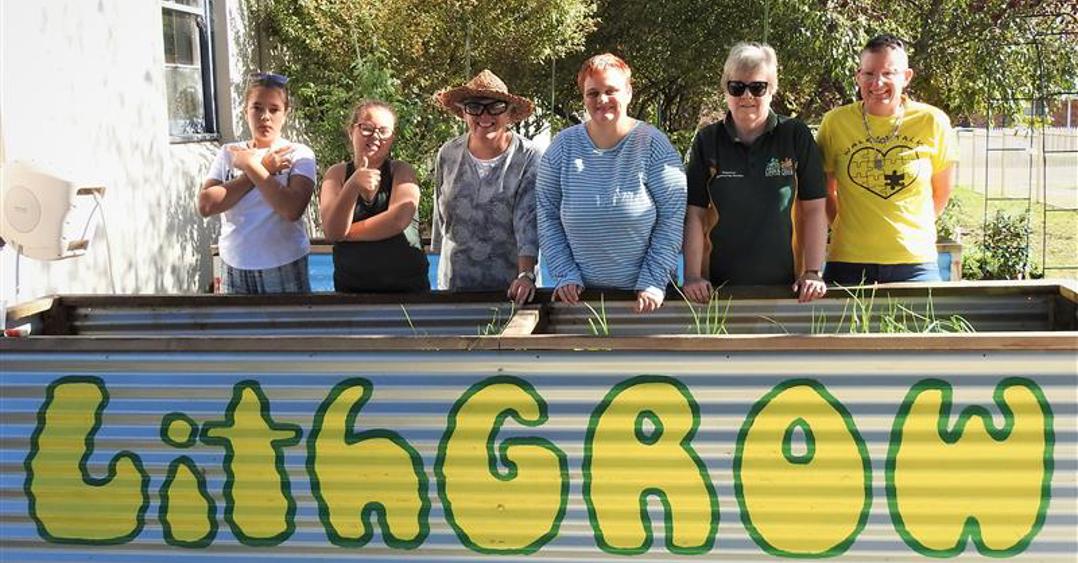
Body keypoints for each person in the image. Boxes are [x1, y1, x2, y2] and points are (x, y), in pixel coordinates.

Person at [536, 53, 687, 314]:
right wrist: (565, 274)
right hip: (581, 300)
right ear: (583, 97)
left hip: (646, 301)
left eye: (611, 90)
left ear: (628, 92)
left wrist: (653, 280)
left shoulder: (654, 145)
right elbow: (546, 216)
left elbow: (672, 217)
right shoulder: (562, 147)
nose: (602, 100)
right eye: (593, 93)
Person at [683, 43, 828, 304]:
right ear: (725, 90)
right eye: (737, 87)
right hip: (717, 290)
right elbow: (695, 213)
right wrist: (692, 276)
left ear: (772, 90)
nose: (746, 96)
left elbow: (815, 209)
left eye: (757, 87)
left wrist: (813, 272)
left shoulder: (795, 135)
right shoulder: (707, 140)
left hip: (790, 288)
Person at [817, 34, 958, 284]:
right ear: (858, 76)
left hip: (915, 264)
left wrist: (906, 232)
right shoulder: (835, 123)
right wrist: (847, 228)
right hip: (848, 262)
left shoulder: (932, 121)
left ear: (906, 77)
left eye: (888, 73)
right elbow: (825, 191)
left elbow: (941, 193)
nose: (877, 83)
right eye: (869, 74)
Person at [198, 72, 316, 294]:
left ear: (285, 114)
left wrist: (252, 166)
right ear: (245, 112)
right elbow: (206, 205)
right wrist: (262, 168)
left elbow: (291, 209)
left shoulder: (298, 153)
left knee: (289, 328)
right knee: (238, 329)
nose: (265, 117)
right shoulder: (229, 153)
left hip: (283, 263)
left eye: (274, 109)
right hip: (234, 264)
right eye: (257, 108)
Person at [431, 70, 541, 305]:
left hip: (512, 291)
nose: (485, 115)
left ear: (510, 113)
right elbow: (440, 219)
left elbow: (528, 221)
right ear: (463, 112)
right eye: (474, 106)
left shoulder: (528, 156)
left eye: (496, 107)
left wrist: (525, 275)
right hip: (454, 286)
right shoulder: (448, 154)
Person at [319, 100, 428, 292]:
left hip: (407, 290)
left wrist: (345, 234)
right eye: (367, 128)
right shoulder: (336, 174)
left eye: (384, 131)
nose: (376, 136)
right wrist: (352, 185)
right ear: (351, 131)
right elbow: (332, 231)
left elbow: (397, 220)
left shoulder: (402, 172)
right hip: (352, 290)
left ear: (392, 138)